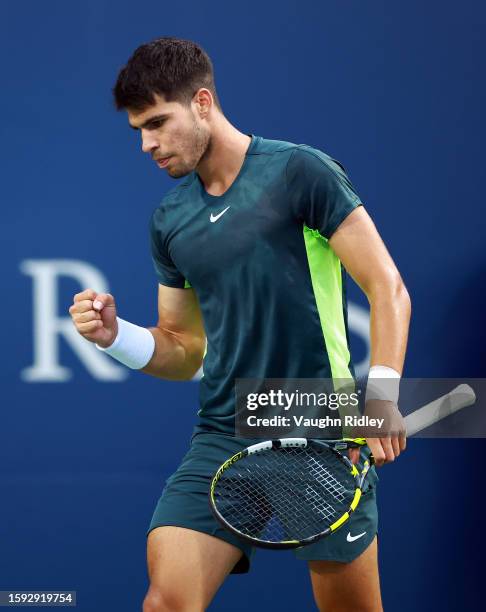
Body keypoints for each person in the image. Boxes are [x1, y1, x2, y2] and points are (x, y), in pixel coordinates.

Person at [69, 37, 411, 612]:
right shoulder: (170, 220)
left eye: (157, 122)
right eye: (138, 131)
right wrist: (114, 337)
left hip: (319, 424)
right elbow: (183, 348)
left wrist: (381, 393)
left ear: (202, 102)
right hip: (225, 430)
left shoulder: (300, 171)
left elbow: (388, 288)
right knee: (166, 603)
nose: (147, 144)